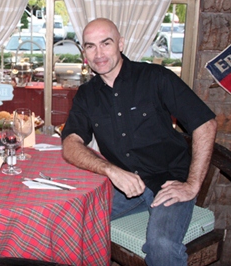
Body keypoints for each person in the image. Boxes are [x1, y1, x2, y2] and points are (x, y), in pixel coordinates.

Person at [61, 18, 217, 265]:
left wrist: (192, 184)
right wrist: (110, 170)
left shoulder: (155, 77)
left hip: (169, 182)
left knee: (162, 246)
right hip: (125, 185)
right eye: (90, 46)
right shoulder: (86, 95)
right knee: (68, 222)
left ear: (120, 44)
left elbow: (205, 123)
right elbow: (70, 143)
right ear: (84, 53)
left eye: (106, 43)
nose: (98, 53)